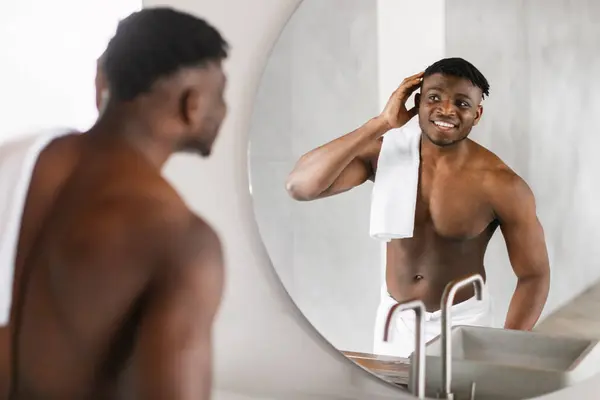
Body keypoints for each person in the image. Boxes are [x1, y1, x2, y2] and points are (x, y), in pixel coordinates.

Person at [4, 7, 229, 399]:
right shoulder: (181, 238)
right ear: (192, 104)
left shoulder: (11, 160)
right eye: (220, 95)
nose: (223, 109)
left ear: (101, 79)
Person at [285, 58, 550, 357]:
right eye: (434, 97)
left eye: (462, 103)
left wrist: (505, 348)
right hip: (395, 319)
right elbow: (300, 186)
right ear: (416, 103)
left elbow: (534, 275)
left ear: (477, 114)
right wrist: (381, 123)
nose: (447, 110)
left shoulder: (501, 184)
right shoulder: (384, 155)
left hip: (463, 321)